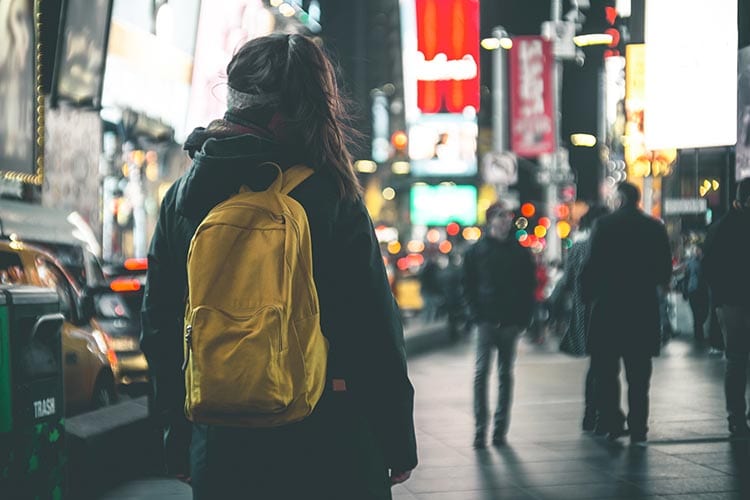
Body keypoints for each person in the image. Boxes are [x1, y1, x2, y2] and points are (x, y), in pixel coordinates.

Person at [140, 34, 417, 499]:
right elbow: (373, 326)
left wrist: (179, 438)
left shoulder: (183, 201)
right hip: (330, 436)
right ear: (301, 111)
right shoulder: (329, 195)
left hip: (220, 440)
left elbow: (160, 327)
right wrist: (396, 439)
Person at [581, 183, 672, 447]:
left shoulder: (604, 226)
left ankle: (611, 422)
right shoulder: (654, 227)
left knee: (607, 372)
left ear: (619, 199)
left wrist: (588, 298)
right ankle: (639, 426)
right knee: (639, 374)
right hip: (641, 309)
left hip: (608, 308)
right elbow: (664, 271)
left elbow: (591, 266)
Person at [462, 202, 536, 448]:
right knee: (482, 372)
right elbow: (467, 284)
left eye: (508, 216)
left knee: (505, 374)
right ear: (491, 219)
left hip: (510, 321)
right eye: (501, 216)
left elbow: (529, 286)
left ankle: (499, 430)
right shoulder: (476, 251)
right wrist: (474, 314)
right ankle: (480, 429)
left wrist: (524, 318)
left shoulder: (520, 252)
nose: (506, 220)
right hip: (485, 320)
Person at [702, 178, 750, 437]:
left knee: (737, 360)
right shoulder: (725, 228)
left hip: (730, 301)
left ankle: (736, 415)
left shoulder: (720, 228)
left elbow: (709, 268)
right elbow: (711, 269)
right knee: (738, 358)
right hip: (734, 303)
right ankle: (736, 415)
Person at [557, 205, 610, 432]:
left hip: (583, 312)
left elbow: (567, 280)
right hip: (605, 311)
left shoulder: (578, 247)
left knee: (596, 364)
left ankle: (591, 413)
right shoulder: (607, 246)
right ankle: (601, 415)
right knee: (605, 365)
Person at [681, 244, 709, 342]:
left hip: (703, 291)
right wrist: (685, 291)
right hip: (693, 290)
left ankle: (698, 332)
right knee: (696, 314)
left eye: (699, 250)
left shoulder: (706, 262)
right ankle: (698, 335)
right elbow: (686, 278)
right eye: (696, 250)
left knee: (704, 312)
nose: (697, 251)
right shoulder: (689, 263)